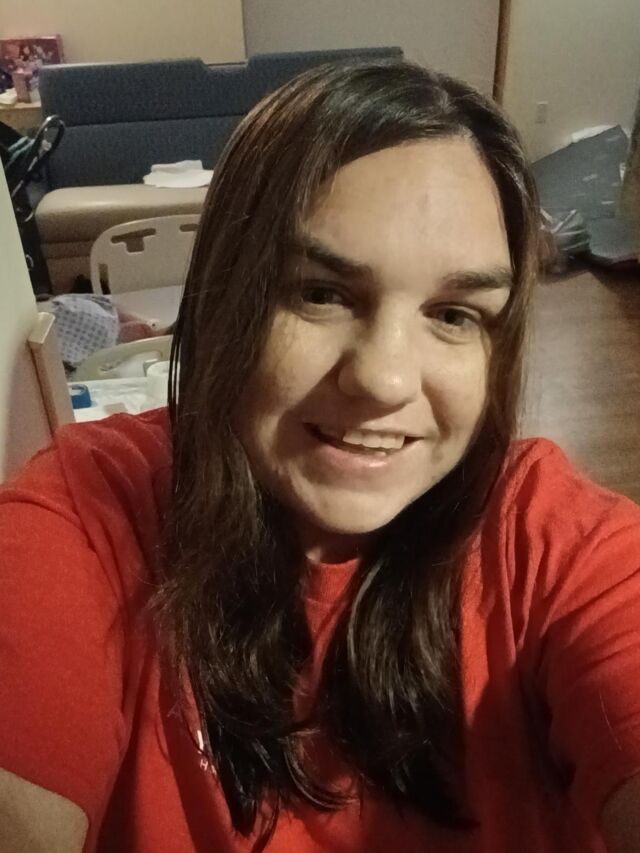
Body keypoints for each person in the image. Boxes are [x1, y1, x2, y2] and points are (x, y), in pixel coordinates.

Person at [0, 60, 639, 853]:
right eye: (321, 293)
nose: (384, 379)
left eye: (453, 313)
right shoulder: (93, 515)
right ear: (228, 295)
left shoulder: (553, 545)